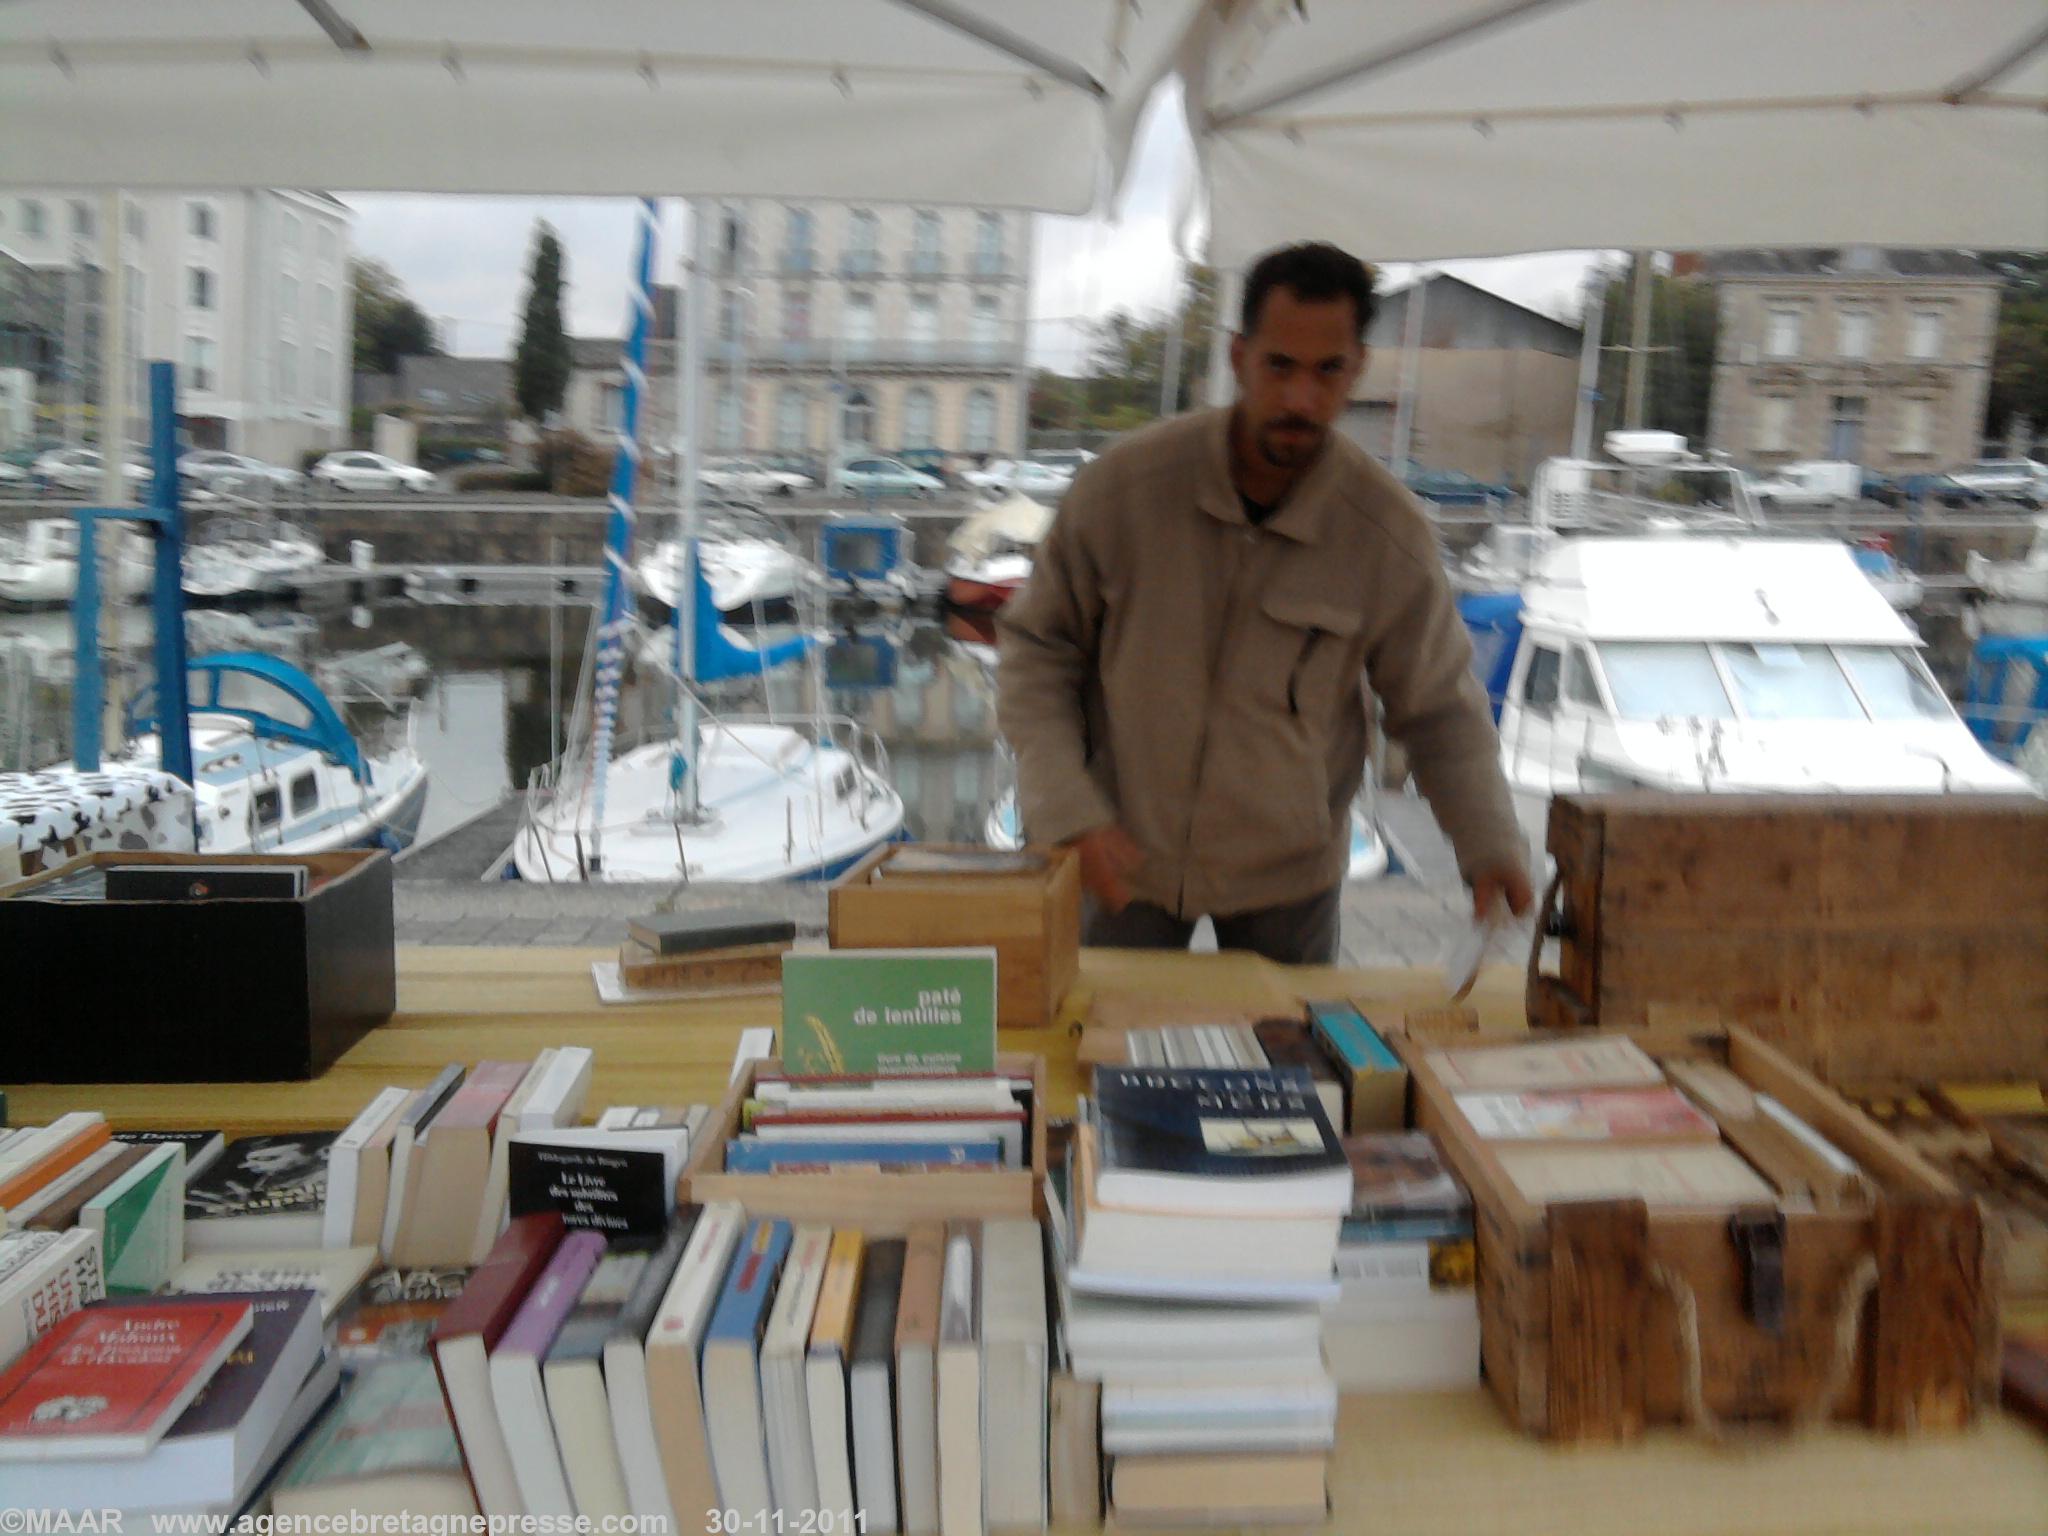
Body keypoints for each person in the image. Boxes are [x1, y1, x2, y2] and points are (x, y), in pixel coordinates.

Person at [995, 241, 1531, 965]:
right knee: (1103, 1063)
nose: (1300, 399)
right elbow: (1037, 650)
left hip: (1291, 884)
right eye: (1280, 366)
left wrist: (1490, 840)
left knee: (1294, 1070)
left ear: (1357, 370)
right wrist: (1063, 807)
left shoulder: (1385, 533)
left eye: (1327, 371)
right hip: (1120, 859)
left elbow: (1437, 707)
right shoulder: (1122, 493)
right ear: (1240, 357)